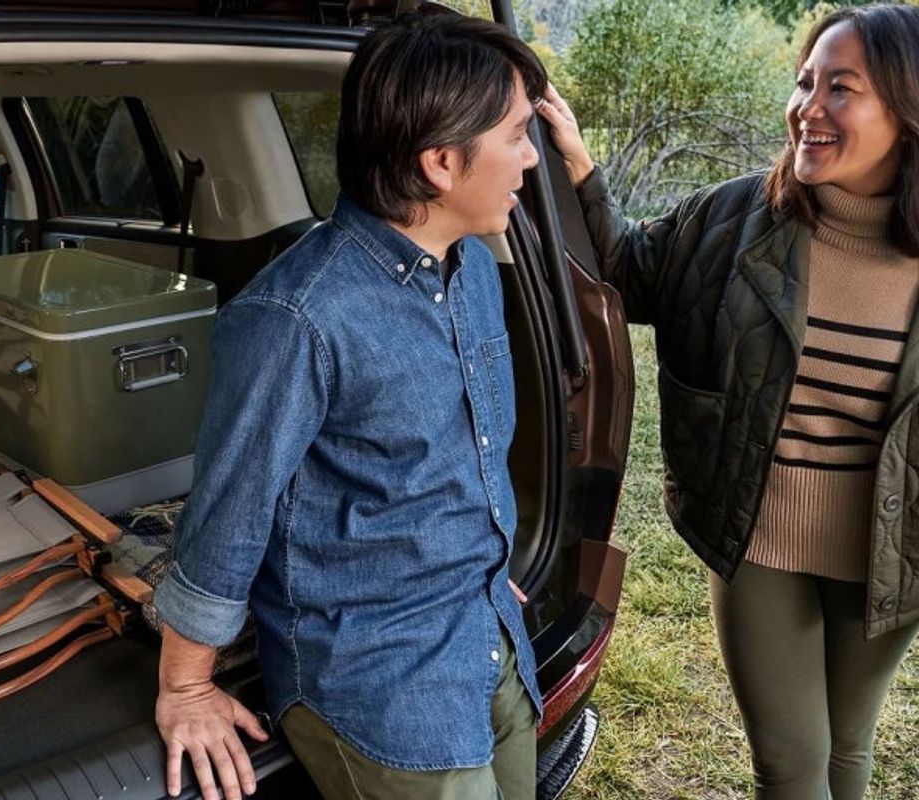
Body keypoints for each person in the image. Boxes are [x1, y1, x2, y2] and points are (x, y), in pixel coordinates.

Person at [152, 12, 547, 800]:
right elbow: (229, 512)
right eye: (516, 135)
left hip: (486, 631)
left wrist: (479, 560)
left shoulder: (471, 268)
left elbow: (455, 456)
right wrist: (186, 686)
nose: (531, 156)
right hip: (383, 682)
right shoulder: (296, 318)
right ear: (441, 162)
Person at [537, 4, 919, 798]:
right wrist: (578, 169)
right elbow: (629, 270)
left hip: (889, 550)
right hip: (759, 536)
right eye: (805, 82)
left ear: (907, 109)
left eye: (841, 88)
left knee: (848, 748)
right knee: (792, 764)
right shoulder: (735, 218)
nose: (808, 108)